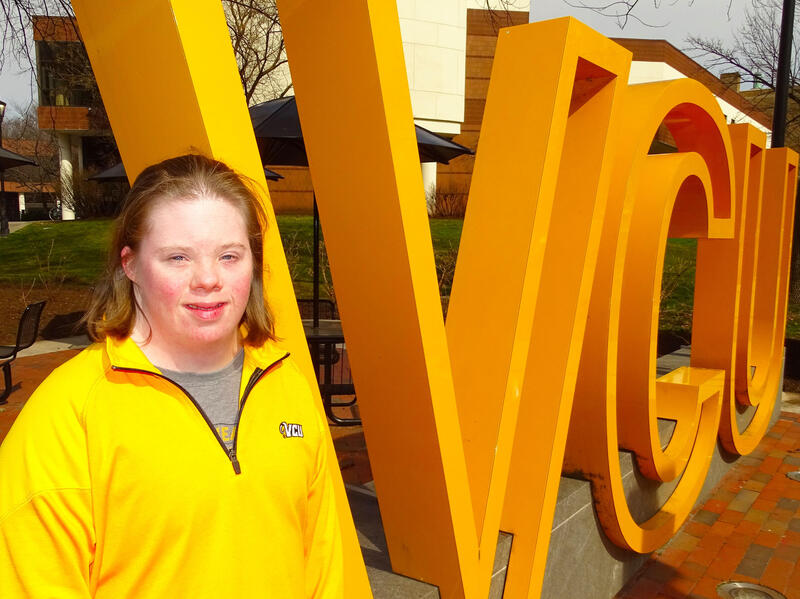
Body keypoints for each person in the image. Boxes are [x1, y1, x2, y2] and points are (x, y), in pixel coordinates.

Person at [0, 154, 343, 598]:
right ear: (130, 265)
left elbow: (322, 563)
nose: (208, 279)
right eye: (178, 257)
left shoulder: (286, 380)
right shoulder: (69, 413)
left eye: (229, 256)